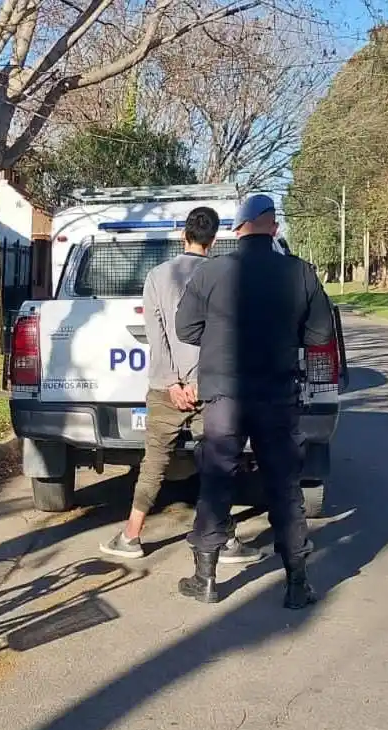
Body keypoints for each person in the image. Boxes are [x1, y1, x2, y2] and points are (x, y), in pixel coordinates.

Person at [174, 194, 336, 607]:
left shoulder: (211, 272)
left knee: (217, 480)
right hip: (276, 394)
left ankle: (205, 579)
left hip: (224, 395)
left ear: (237, 229)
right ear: (274, 229)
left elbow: (186, 329)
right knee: (284, 485)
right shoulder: (299, 272)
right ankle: (296, 583)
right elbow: (320, 334)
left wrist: (219, 338)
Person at [99, 207, 258, 564]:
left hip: (165, 387)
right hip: (213, 386)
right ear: (213, 240)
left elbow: (157, 338)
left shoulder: (157, 277)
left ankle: (131, 536)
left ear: (182, 235)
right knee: (216, 463)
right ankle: (224, 539)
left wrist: (172, 382)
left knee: (154, 462)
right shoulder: (227, 277)